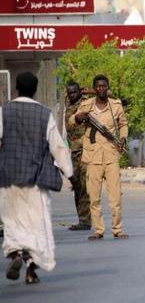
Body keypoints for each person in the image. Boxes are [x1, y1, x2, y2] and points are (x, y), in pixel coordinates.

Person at [0, 72, 73, 284]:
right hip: (35, 181)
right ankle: (31, 271)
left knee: (12, 222)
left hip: (7, 178)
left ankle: (14, 254)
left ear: (16, 88)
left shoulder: (4, 112)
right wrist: (69, 174)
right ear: (35, 90)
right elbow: (58, 147)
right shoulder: (44, 115)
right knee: (35, 226)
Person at [69, 74, 129, 241]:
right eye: (98, 86)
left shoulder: (115, 106)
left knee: (115, 197)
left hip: (111, 154)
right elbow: (71, 121)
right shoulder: (86, 105)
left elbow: (123, 124)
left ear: (107, 88)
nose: (101, 89)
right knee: (94, 197)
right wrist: (78, 118)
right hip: (93, 156)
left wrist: (123, 138)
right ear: (94, 89)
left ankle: (117, 229)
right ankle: (98, 230)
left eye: (104, 86)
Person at [64, 81, 91, 231]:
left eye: (74, 92)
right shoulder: (68, 102)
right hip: (73, 152)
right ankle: (82, 218)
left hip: (85, 151)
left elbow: (112, 97)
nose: (72, 95)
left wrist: (92, 91)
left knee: (85, 187)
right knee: (77, 186)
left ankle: (85, 220)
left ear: (79, 92)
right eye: (69, 93)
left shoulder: (86, 103)